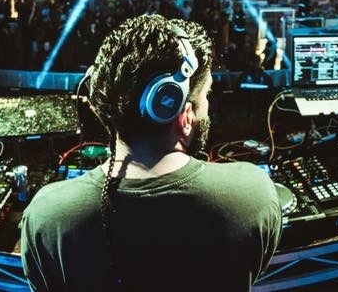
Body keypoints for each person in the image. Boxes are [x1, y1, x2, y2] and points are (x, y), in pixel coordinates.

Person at [20, 14, 282, 291]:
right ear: (182, 114)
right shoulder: (253, 195)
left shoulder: (46, 216)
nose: (208, 106)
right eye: (206, 95)